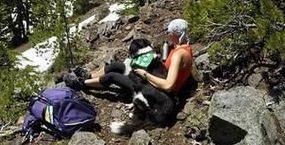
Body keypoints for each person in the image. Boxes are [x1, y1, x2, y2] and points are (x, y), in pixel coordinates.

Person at [64, 19, 193, 95]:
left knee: (112, 76)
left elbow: (168, 85)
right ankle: (88, 76)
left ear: (176, 34)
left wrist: (144, 74)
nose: (168, 34)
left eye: (170, 32)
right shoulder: (183, 48)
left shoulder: (178, 54)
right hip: (156, 77)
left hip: (157, 91)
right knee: (117, 66)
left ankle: (82, 84)